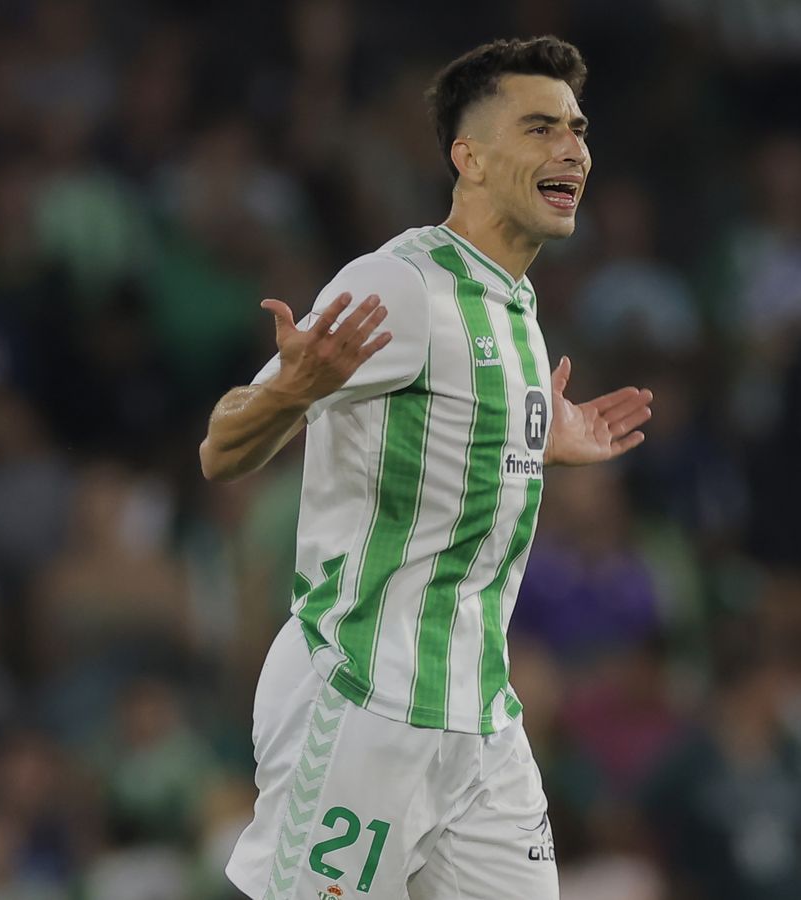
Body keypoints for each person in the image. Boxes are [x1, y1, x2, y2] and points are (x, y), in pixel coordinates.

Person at [202, 37, 654, 900]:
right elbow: (221, 448)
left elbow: (447, 434)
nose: (572, 148)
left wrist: (531, 439)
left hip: (480, 723)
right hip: (361, 700)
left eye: (578, 129)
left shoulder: (518, 308)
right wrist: (290, 392)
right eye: (541, 128)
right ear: (469, 157)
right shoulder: (399, 284)